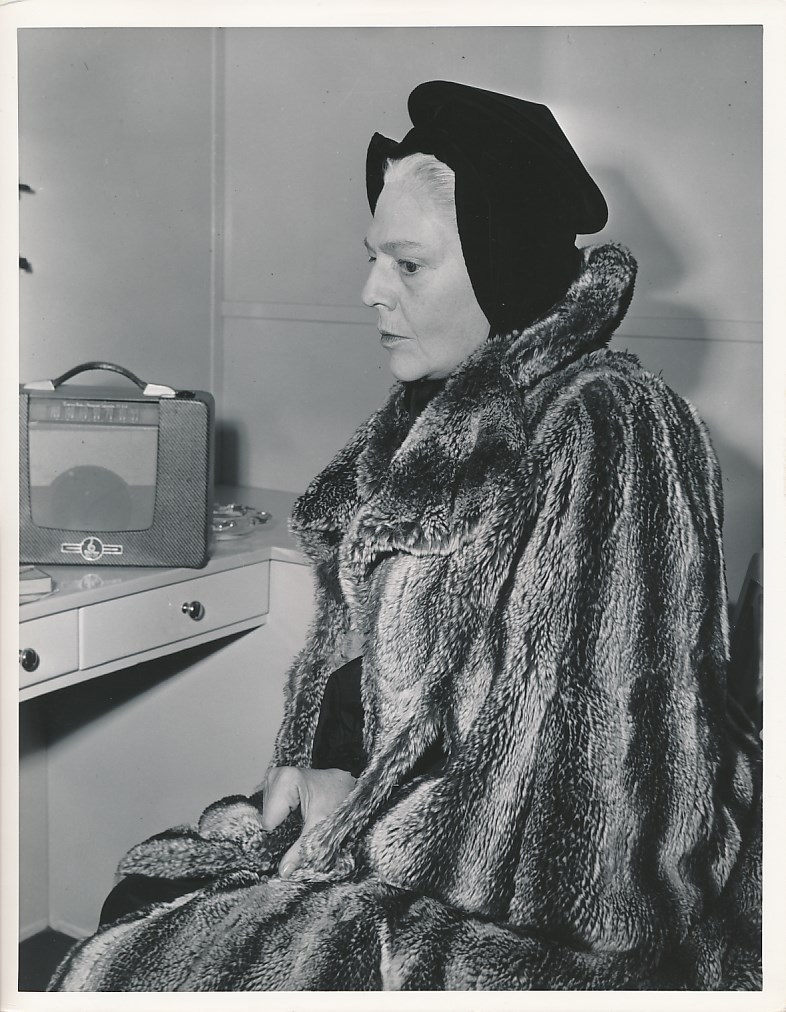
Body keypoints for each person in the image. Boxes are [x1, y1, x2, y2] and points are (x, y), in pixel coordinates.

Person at [49, 80, 761, 992]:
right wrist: (324, 770)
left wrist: (353, 828)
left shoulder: (610, 426)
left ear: (504, 267)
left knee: (134, 968)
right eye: (373, 258)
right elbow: (382, 673)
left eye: (409, 266)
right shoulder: (436, 415)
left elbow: (588, 818)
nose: (370, 291)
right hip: (410, 823)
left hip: (522, 891)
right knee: (145, 895)